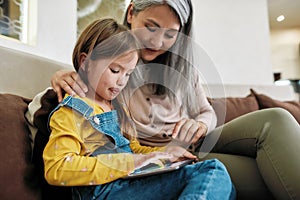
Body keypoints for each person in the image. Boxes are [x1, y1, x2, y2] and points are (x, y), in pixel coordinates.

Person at [28, 0, 300, 199]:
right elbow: (69, 110)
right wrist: (61, 79)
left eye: (170, 34)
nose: (158, 41)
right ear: (131, 12)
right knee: (230, 175)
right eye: (151, 27)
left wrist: (201, 125)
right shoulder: (107, 65)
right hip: (145, 166)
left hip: (183, 148)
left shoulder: (178, 69)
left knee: (275, 118)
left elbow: (206, 111)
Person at [43, 18, 235, 200]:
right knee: (212, 171)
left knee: (225, 186)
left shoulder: (113, 106)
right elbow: (57, 168)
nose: (121, 82)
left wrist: (164, 154)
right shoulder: (73, 111)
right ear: (85, 63)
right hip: (104, 192)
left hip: (127, 183)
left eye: (128, 74)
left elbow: (130, 148)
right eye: (115, 71)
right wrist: (130, 162)